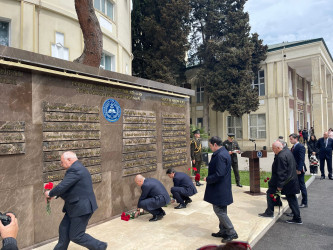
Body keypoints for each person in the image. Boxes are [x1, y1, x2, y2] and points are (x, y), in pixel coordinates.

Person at [44, 151, 107, 250]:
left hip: (81, 208)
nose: (61, 165)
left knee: (76, 235)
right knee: (64, 229)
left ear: (69, 160)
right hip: (74, 207)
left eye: (62, 162)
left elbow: (62, 186)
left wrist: (50, 193)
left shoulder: (75, 170)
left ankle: (100, 246)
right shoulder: (77, 168)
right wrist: (55, 196)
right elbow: (70, 189)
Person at [258, 140, 302, 225]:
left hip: (286, 181)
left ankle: (270, 212)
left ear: (278, 148)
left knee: (270, 193)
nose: (273, 150)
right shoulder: (287, 152)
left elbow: (281, 172)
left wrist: (280, 185)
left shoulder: (281, 156)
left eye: (274, 149)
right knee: (291, 198)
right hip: (291, 180)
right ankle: (296, 216)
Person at [204, 136, 238, 243]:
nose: (210, 148)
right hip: (222, 187)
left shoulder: (220, 156)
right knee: (222, 209)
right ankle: (223, 231)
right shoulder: (224, 152)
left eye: (210, 146)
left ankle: (231, 232)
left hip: (220, 187)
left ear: (215, 145)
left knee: (218, 210)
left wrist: (208, 179)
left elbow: (219, 174)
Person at [289, 133, 308, 208]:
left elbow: (301, 159)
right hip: (294, 169)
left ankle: (304, 202)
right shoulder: (294, 146)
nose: (290, 140)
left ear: (295, 138)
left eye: (291, 139)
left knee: (301, 185)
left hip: (299, 169)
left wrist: (299, 169)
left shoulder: (300, 146)